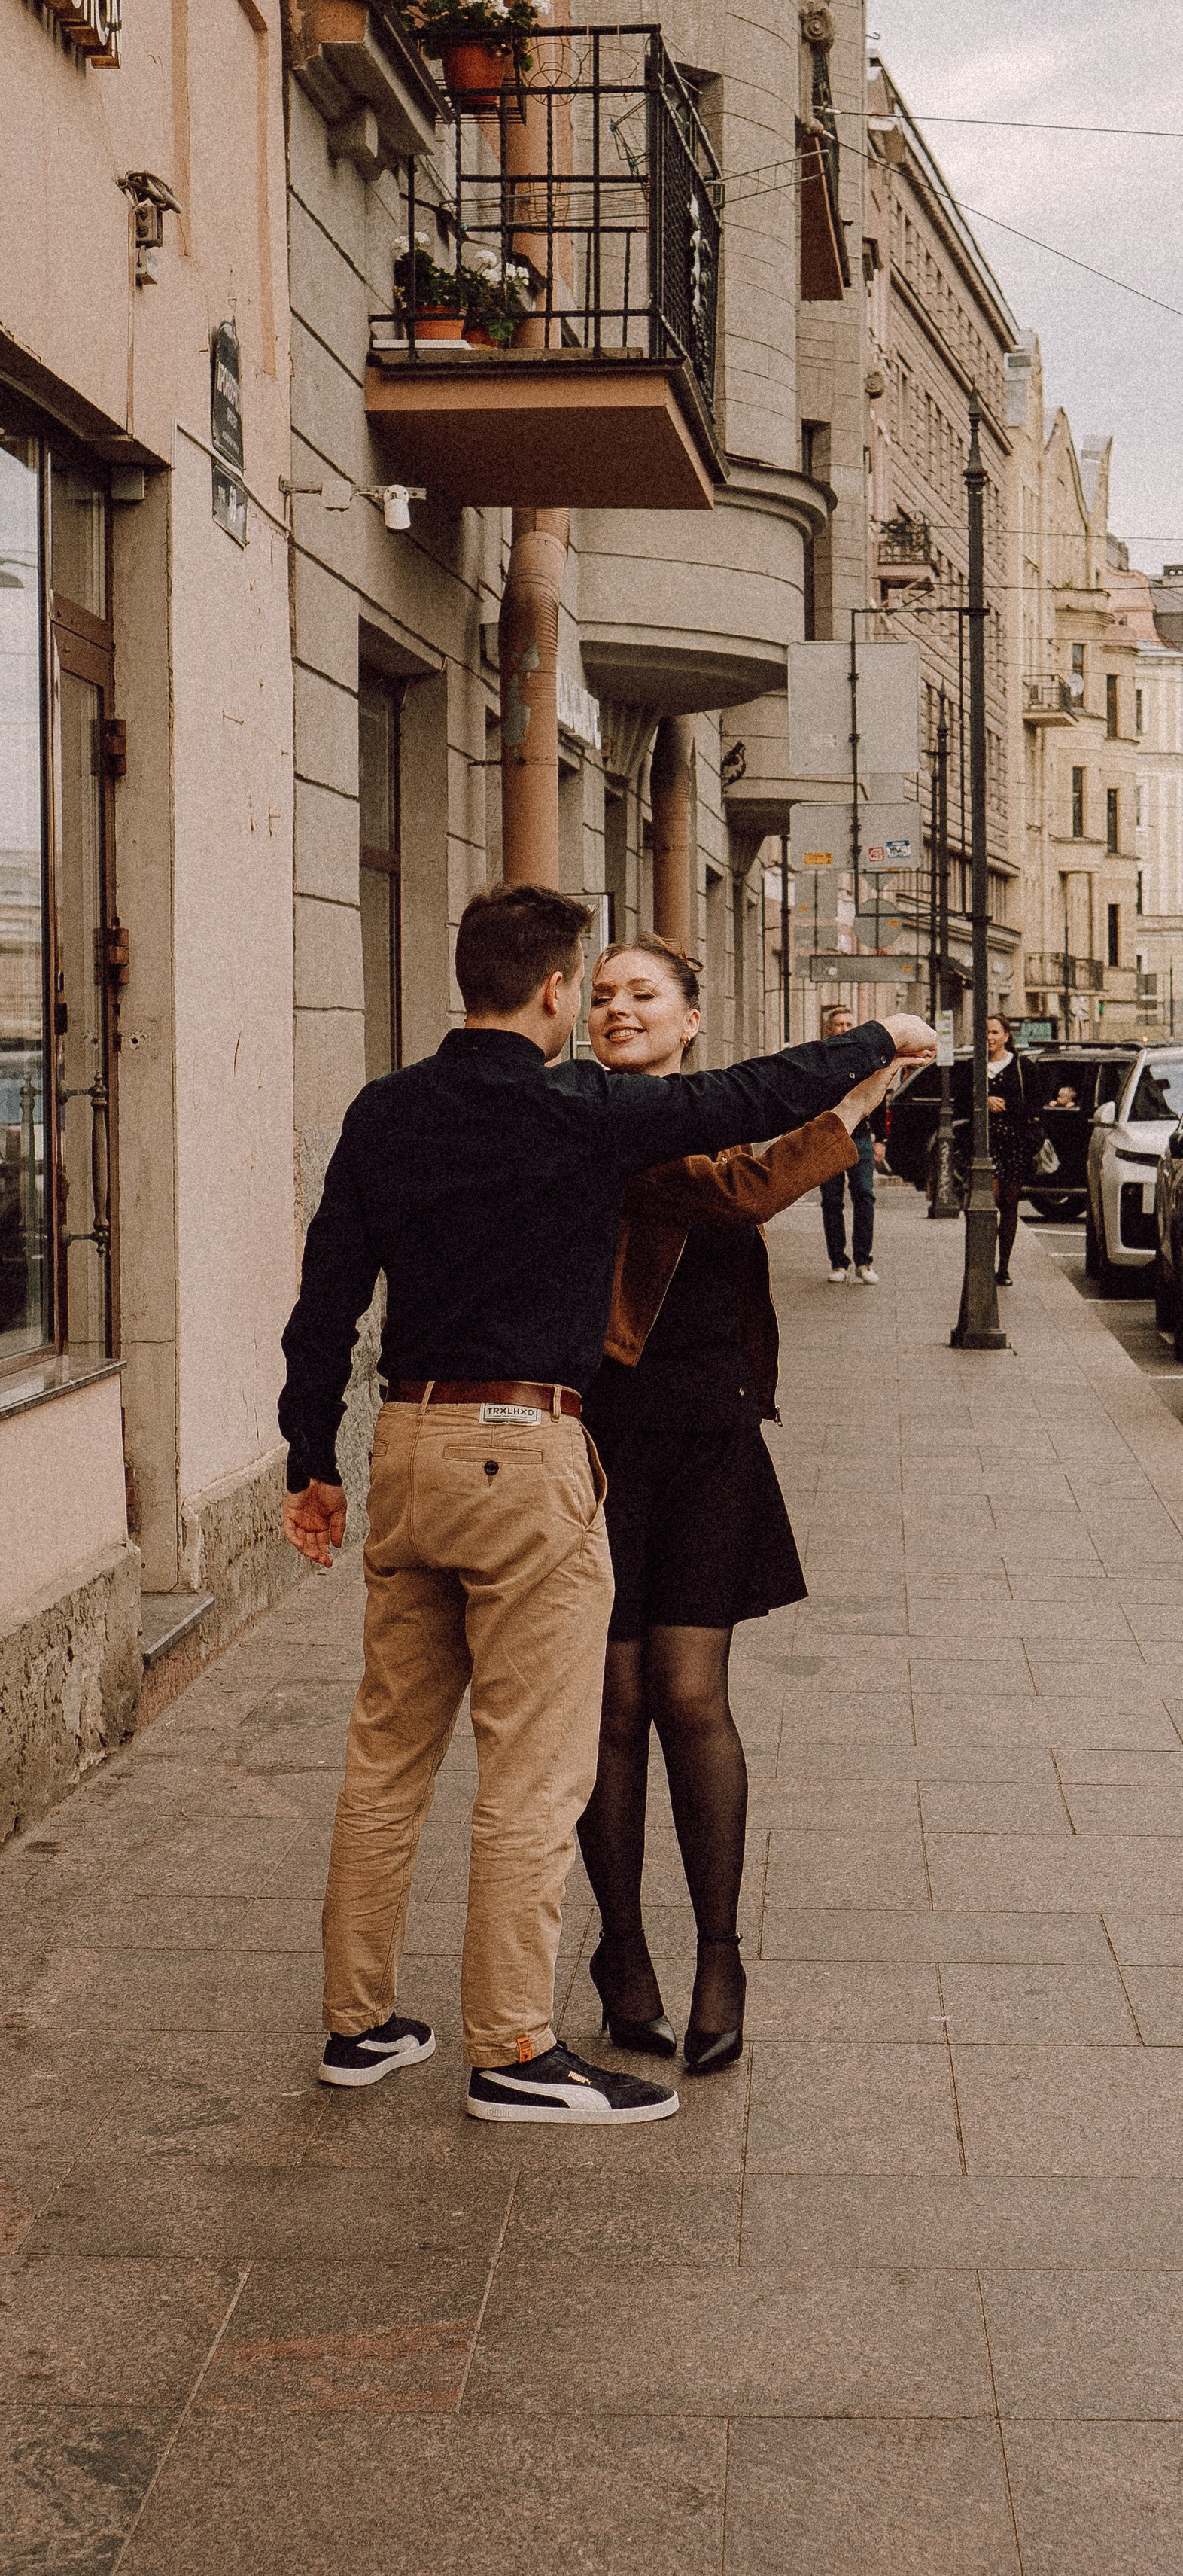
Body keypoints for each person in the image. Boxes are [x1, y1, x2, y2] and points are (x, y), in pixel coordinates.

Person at [278, 881, 932, 2128]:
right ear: (555, 991)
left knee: (385, 1756)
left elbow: (326, 1300)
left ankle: (358, 2026)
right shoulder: (574, 1106)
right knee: (535, 1764)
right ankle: (515, 2049)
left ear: (462, 977)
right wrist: (874, 1041)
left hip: (406, 1443)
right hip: (525, 1450)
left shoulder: (384, 1110)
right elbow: (739, 1105)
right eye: (593, 986)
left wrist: (312, 1456)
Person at [573, 938, 899, 2072]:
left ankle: (720, 1953)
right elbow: (746, 1194)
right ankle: (622, 1951)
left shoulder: (699, 1115)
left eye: (643, 995)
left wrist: (849, 1101)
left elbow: (741, 1177)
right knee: (607, 1710)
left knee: (689, 1695)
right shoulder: (595, 1121)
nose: (619, 1009)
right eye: (604, 996)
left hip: (711, 1439)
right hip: (601, 1444)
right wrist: (860, 1091)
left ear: (690, 1021)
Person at [956, 1010, 1034, 1287]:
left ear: (1006, 1037)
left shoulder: (1022, 1067)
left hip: (1013, 1143)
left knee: (1009, 1204)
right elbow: (960, 1103)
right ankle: (983, 1263)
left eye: (994, 1033)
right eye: (985, 1033)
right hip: (983, 1145)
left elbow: (1033, 1105)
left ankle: (1004, 1267)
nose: (989, 1038)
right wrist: (984, 1100)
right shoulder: (972, 1067)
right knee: (986, 1202)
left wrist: (1009, 1105)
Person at [817, 1002, 878, 1284]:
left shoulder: (865, 1058)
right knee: (831, 1200)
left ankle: (864, 1262)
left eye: (849, 1024)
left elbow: (878, 1096)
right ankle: (838, 1263)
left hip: (861, 1136)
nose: (844, 1029)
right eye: (839, 1024)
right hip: (828, 1137)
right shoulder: (820, 1057)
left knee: (864, 1196)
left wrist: (882, 1139)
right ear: (830, 1029)